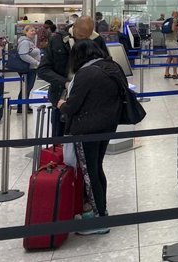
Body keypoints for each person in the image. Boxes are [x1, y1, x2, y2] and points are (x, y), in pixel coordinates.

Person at [57, 40, 123, 234]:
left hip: (87, 129)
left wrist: (61, 104)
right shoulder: (112, 66)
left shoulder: (86, 74)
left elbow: (72, 106)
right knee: (96, 167)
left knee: (90, 172)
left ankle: (98, 218)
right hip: (107, 125)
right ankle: (101, 208)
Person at [38, 16, 109, 137]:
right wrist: (65, 83)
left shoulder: (97, 40)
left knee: (85, 142)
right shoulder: (57, 40)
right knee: (59, 138)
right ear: (74, 26)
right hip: (61, 96)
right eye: (80, 36)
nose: (83, 40)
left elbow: (106, 65)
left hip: (88, 100)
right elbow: (43, 70)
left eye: (87, 36)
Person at [17, 25, 41, 114]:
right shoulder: (25, 42)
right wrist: (36, 62)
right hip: (28, 68)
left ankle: (24, 106)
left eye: (34, 30)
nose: (33, 32)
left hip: (32, 68)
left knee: (27, 88)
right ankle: (21, 107)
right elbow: (23, 55)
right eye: (31, 30)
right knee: (26, 88)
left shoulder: (30, 42)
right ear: (26, 32)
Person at [163, 11, 178, 79]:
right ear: (175, 14)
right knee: (175, 57)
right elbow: (173, 29)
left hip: (167, 41)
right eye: (177, 14)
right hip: (173, 41)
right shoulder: (174, 20)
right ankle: (175, 73)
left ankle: (166, 73)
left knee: (169, 57)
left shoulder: (168, 20)